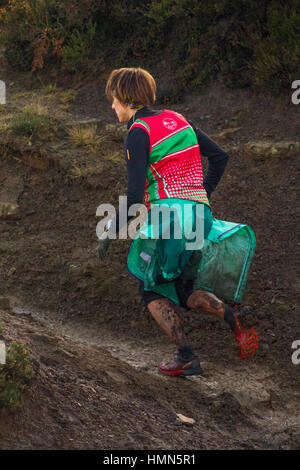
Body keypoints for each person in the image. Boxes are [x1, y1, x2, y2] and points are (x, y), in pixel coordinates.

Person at [98, 67, 258, 377]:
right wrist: (198, 195)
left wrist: (109, 230)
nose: (112, 106)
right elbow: (220, 156)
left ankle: (186, 356)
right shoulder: (178, 119)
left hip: (168, 218)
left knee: (150, 289)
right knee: (183, 290)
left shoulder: (138, 132)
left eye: (114, 100)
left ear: (126, 99)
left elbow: (134, 198)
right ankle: (231, 316)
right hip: (200, 213)